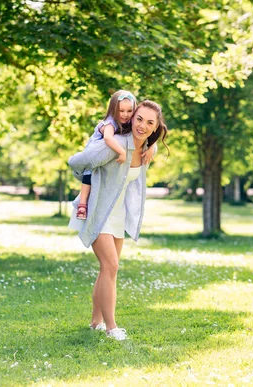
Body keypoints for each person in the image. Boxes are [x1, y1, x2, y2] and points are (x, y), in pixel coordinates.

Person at [68, 100, 168, 341]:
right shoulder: (115, 145)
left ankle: (96, 322)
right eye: (139, 119)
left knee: (107, 271)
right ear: (132, 118)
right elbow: (76, 161)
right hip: (97, 212)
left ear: (156, 128)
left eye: (149, 122)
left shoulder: (145, 149)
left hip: (117, 216)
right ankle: (112, 328)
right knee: (112, 267)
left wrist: (150, 149)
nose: (142, 125)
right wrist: (90, 177)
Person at [76, 90, 155, 220]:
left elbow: (147, 135)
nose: (125, 115)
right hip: (95, 153)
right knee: (89, 175)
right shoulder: (110, 122)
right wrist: (121, 152)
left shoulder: (130, 122)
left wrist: (151, 147)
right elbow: (107, 138)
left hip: (108, 159)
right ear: (113, 109)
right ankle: (83, 204)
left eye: (129, 111)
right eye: (121, 110)